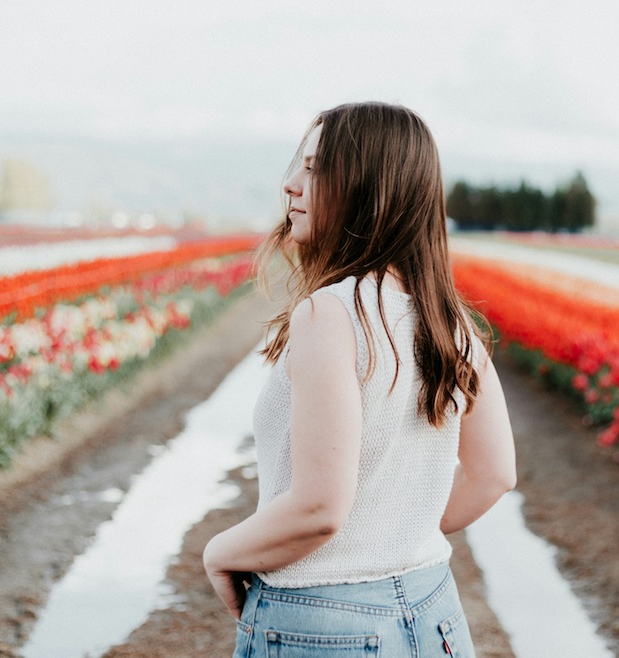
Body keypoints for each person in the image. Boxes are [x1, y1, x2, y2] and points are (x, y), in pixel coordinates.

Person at [203, 101, 515, 657]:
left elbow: (319, 509)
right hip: (435, 613)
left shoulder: (331, 314)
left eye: (316, 168)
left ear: (368, 188)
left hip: (323, 622)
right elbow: (495, 475)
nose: (291, 185)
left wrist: (219, 551)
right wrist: (394, 534)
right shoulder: (448, 318)